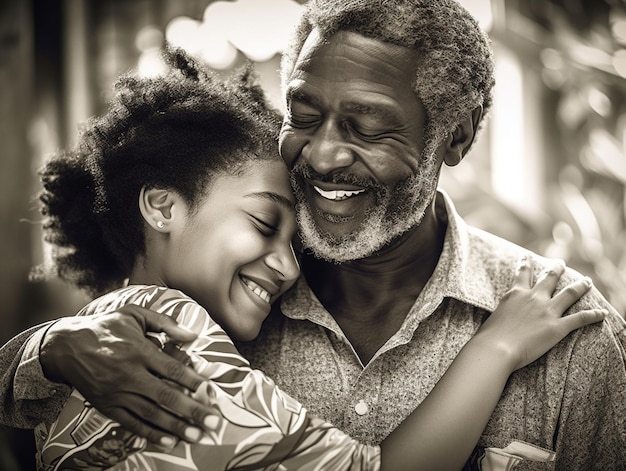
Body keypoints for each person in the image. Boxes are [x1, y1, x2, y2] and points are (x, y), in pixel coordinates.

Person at [1, 0, 624, 469]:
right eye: (302, 116)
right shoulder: (197, 312)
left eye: (368, 128)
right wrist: (45, 350)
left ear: (454, 139)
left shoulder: (571, 334)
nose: (323, 156)